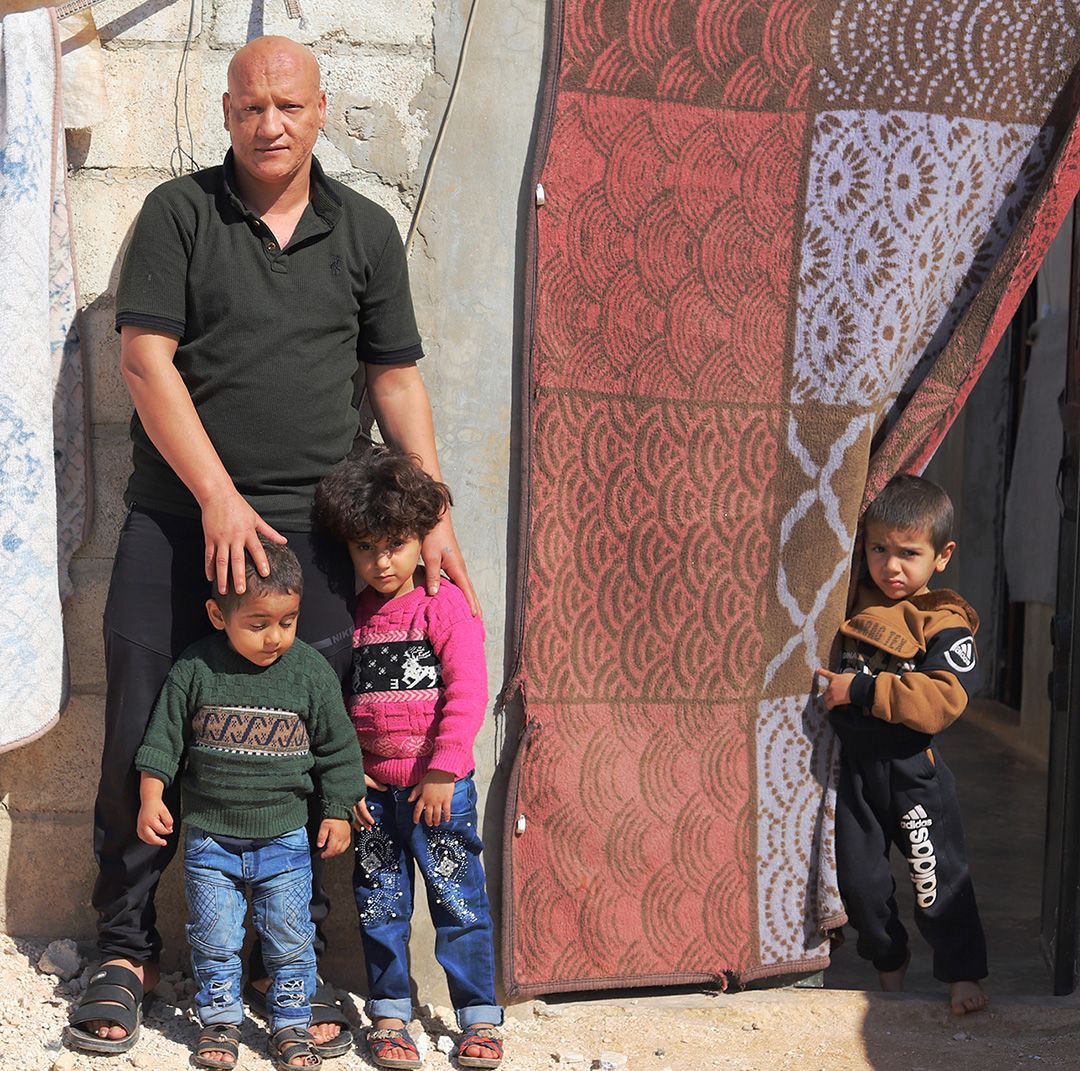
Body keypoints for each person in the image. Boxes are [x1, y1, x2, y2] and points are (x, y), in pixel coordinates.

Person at [68, 34, 478, 1056]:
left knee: (316, 740)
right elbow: (144, 359)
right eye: (252, 107)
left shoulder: (366, 232)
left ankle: (282, 958)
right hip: (182, 519)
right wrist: (214, 496)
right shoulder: (178, 216)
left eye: (289, 106)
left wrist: (430, 510)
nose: (271, 124)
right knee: (139, 722)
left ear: (322, 109)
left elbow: (392, 377)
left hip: (322, 531)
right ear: (226, 112)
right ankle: (124, 950)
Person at [130, 542, 364, 1069]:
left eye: (288, 620)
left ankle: (290, 1025)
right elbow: (164, 740)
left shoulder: (309, 672)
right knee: (214, 940)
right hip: (210, 840)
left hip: (285, 840)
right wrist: (151, 796)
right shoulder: (195, 668)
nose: (276, 636)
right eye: (259, 623)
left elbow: (339, 750)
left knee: (290, 938)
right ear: (219, 614)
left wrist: (337, 809)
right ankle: (219, 1024)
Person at [313, 448, 503, 1070]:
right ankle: (389, 1016)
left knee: (459, 904)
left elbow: (469, 689)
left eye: (394, 543)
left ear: (422, 538)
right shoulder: (353, 616)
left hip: (439, 793)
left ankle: (479, 1017)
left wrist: (445, 769)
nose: (381, 561)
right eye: (365, 548)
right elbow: (339, 703)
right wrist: (350, 775)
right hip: (373, 798)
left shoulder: (441, 603)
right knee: (380, 906)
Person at [817, 474, 988, 1016]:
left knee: (934, 879)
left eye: (909, 553)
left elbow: (944, 698)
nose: (891, 566)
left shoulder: (943, 620)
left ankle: (962, 975)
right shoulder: (847, 601)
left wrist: (863, 689)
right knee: (861, 888)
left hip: (914, 773)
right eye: (879, 549)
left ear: (942, 555)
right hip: (856, 778)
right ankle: (891, 980)